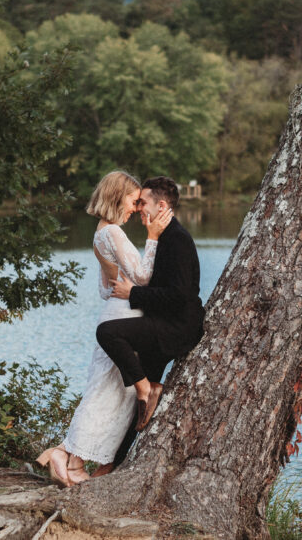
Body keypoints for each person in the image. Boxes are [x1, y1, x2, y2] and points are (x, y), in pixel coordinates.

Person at [36, 171, 173, 487]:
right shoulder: (112, 233)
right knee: (104, 392)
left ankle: (72, 459)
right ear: (116, 197)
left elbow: (104, 288)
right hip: (122, 318)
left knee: (109, 391)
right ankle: (68, 458)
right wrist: (153, 237)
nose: (136, 208)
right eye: (132, 200)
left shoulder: (100, 233)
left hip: (115, 312)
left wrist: (125, 288)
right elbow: (141, 276)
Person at [96, 176, 205, 469]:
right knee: (137, 409)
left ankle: (147, 387)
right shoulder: (161, 236)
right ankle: (110, 467)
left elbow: (180, 296)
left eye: (143, 202)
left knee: (107, 333)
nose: (139, 207)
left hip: (178, 327)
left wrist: (134, 293)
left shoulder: (178, 240)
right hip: (161, 322)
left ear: (162, 206)